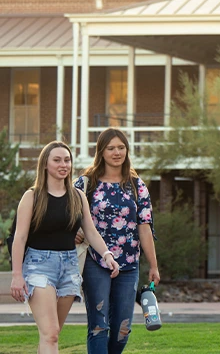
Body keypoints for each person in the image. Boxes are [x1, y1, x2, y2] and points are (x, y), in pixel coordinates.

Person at [9, 142, 120, 354]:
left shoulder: (77, 196)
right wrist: (16, 275)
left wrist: (107, 255)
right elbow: (19, 238)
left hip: (69, 267)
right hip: (38, 266)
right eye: (57, 160)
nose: (63, 165)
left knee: (52, 334)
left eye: (67, 160)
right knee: (50, 333)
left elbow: (91, 232)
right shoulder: (32, 197)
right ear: (45, 164)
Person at [76, 128, 160, 354]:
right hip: (96, 262)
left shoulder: (136, 185)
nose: (116, 152)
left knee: (123, 329)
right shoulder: (86, 183)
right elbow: (67, 217)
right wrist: (74, 231)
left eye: (121, 147)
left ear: (127, 150)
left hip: (129, 263)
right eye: (110, 148)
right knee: (98, 325)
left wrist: (153, 265)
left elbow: (145, 226)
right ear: (101, 152)